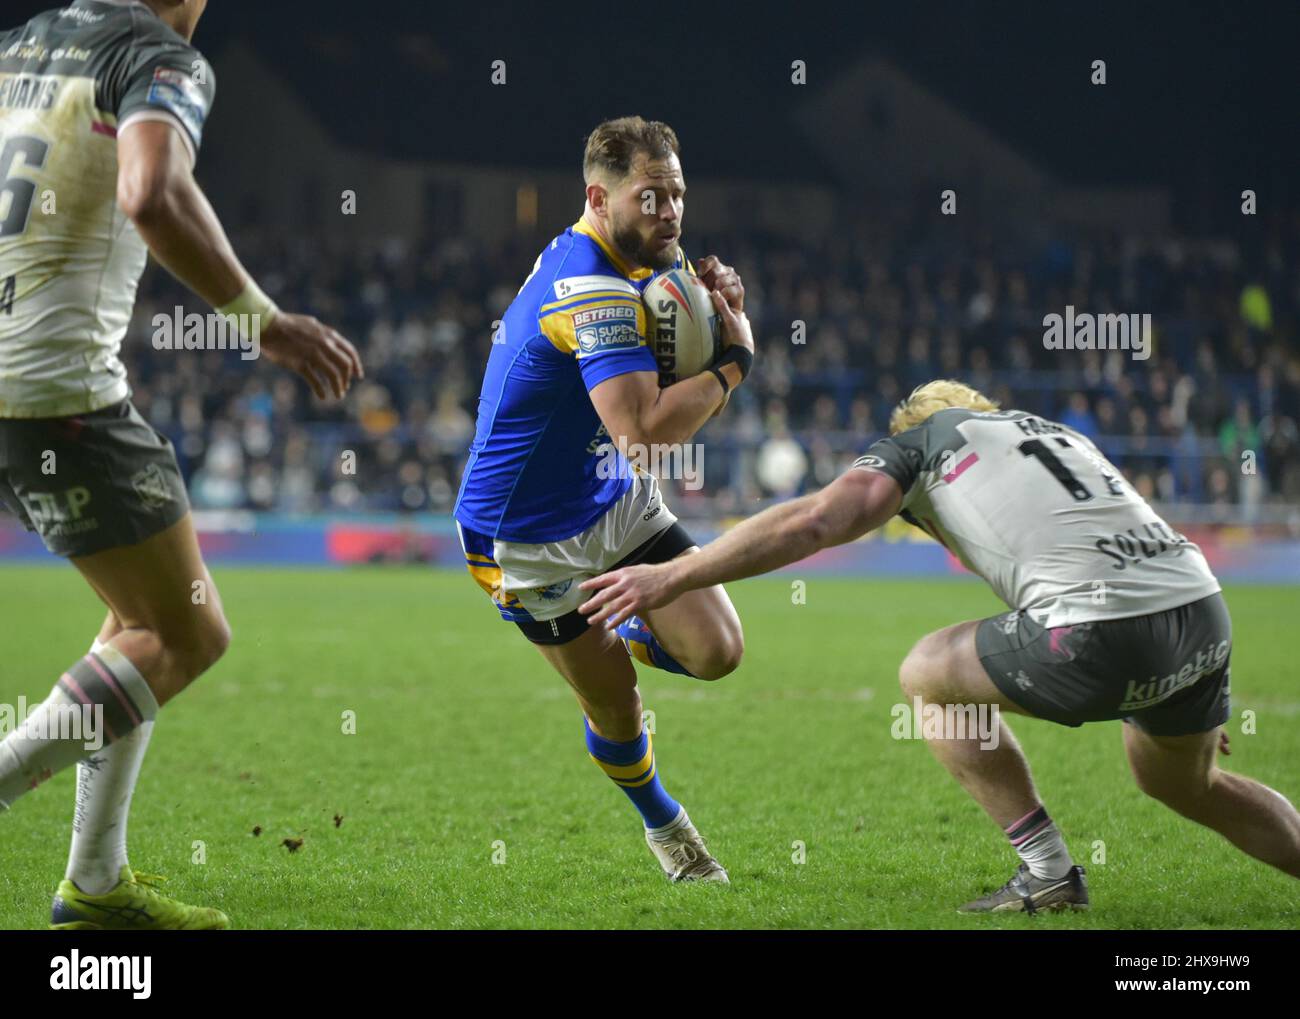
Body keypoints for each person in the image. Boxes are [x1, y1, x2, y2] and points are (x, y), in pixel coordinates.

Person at [581, 379, 1300, 911]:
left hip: (1101, 626)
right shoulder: (1053, 433)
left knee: (926, 671)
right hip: (1201, 611)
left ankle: (1048, 871)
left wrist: (676, 572)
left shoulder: (924, 441)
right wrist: (1183, 669)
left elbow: (816, 522)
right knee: (1178, 779)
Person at [0, 0, 362, 929]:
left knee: (135, 619)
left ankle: (94, 881)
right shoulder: (156, 57)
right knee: (187, 632)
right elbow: (151, 193)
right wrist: (266, 325)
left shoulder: (26, 41)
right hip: (58, 392)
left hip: (19, 374)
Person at [453, 116, 754, 882]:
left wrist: (707, 302)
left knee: (719, 650)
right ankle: (669, 828)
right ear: (600, 196)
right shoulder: (589, 285)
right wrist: (732, 362)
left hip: (611, 500)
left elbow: (664, 335)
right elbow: (648, 436)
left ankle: (628, 630)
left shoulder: (638, 249)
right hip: (522, 538)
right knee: (617, 707)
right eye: (652, 198)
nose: (672, 214)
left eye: (678, 195)